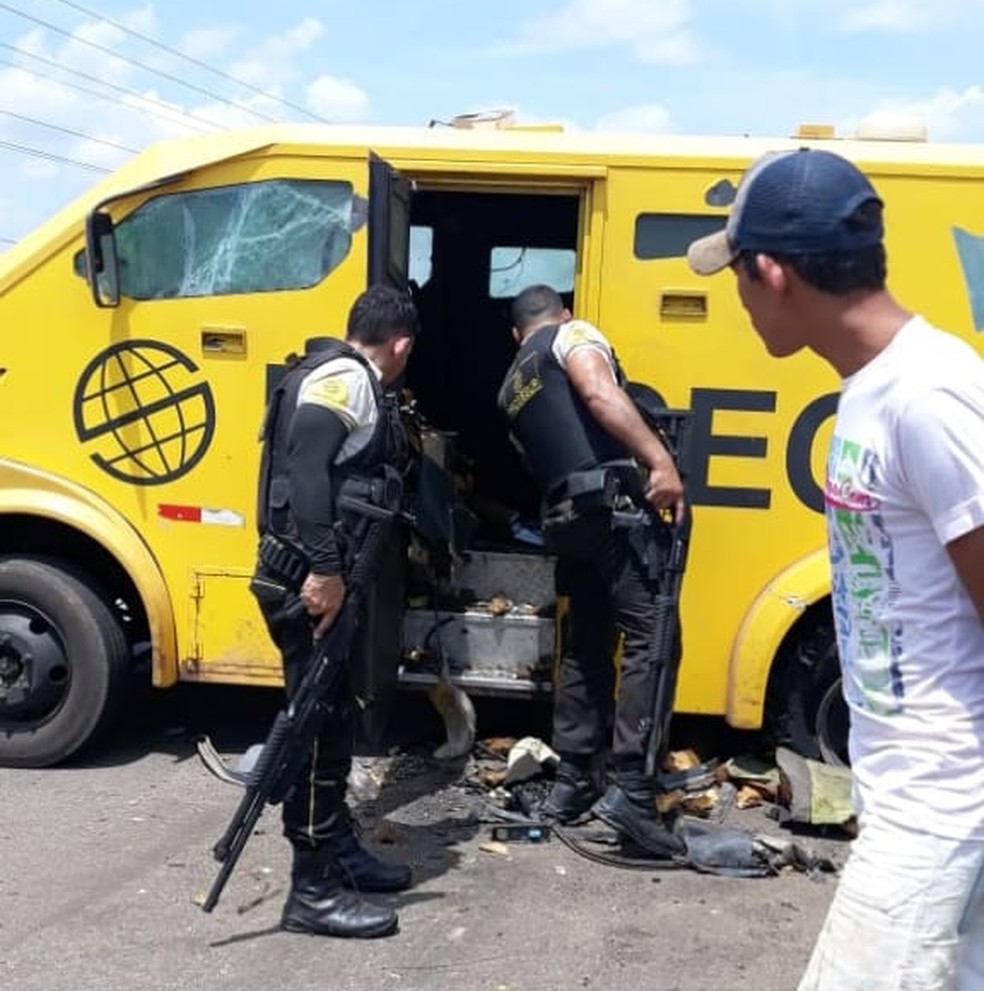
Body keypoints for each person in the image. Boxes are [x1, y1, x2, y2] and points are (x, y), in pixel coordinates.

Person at [687, 147, 984, 990]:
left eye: (736, 276)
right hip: (915, 800)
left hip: (944, 807)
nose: (735, 301)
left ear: (773, 273)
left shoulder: (929, 396)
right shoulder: (874, 386)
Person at [250, 284, 418, 939]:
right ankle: (310, 890)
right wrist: (324, 567)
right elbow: (308, 467)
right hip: (306, 583)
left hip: (315, 581)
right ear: (400, 344)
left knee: (334, 718)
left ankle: (338, 850)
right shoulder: (346, 378)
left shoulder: (341, 375)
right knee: (315, 731)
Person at [496, 284, 687, 857]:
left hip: (564, 521)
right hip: (612, 514)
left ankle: (574, 781)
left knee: (585, 642)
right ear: (564, 313)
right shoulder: (573, 336)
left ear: (515, 333)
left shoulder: (510, 383)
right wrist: (661, 461)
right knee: (655, 637)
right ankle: (633, 788)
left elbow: (534, 459)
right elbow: (599, 395)